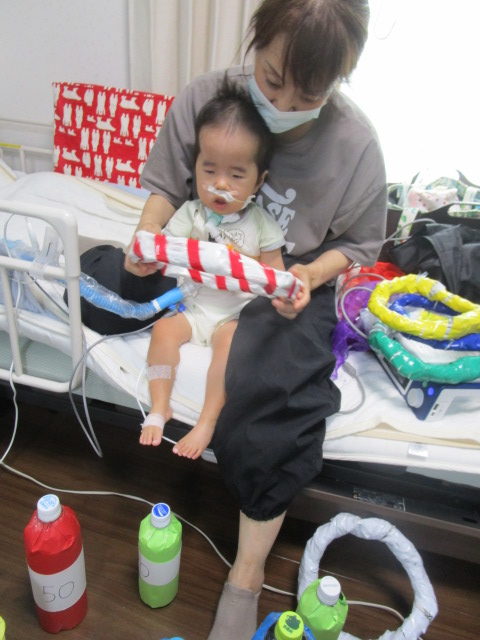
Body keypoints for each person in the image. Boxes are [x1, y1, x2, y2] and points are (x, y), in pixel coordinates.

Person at [80, 1, 387, 638]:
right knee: (97, 285)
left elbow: (359, 244)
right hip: (195, 257)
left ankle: (245, 574)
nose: (284, 104)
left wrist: (307, 277)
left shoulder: (355, 144)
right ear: (256, 39)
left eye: (309, 96)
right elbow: (165, 191)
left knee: (274, 386)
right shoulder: (206, 98)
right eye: (272, 80)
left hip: (283, 279)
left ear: (342, 77)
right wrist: (147, 242)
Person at [139, 81, 287, 459]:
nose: (220, 184)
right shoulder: (190, 214)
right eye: (209, 170)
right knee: (163, 330)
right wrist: (147, 249)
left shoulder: (262, 224)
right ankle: (159, 406)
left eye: (236, 175)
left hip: (233, 314)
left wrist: (272, 284)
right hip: (194, 306)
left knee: (230, 346)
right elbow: (165, 249)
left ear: (259, 180)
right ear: (195, 168)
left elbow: (275, 274)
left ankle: (206, 422)